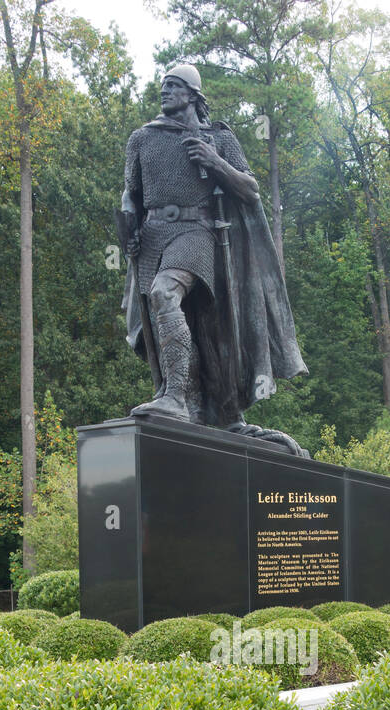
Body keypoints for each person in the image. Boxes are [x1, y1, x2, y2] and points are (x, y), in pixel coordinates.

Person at [120, 62, 308, 444]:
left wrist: (214, 162)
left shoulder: (219, 138)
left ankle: (173, 398)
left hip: (197, 231)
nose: (165, 91)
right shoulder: (142, 138)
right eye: (163, 86)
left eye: (173, 86)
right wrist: (127, 228)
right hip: (154, 235)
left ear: (192, 94)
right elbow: (130, 192)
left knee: (164, 292)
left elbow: (251, 189)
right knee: (183, 322)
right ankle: (191, 402)